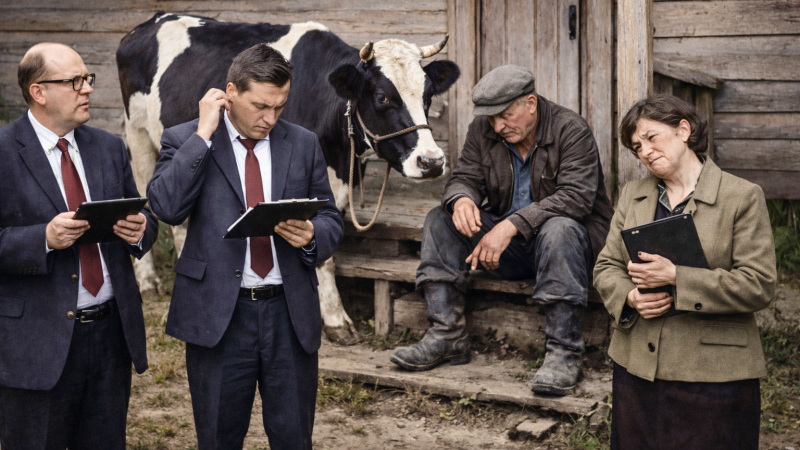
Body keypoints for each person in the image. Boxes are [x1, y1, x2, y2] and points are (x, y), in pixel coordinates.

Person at [147, 43, 342, 450]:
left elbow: (330, 219)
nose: (270, 118)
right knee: (219, 437)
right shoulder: (185, 138)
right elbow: (166, 207)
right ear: (230, 92)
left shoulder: (302, 142)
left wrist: (313, 237)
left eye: (280, 106)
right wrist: (202, 135)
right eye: (260, 106)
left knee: (293, 438)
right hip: (219, 315)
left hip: (289, 315)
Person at [390, 65, 614, 396]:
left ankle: (564, 353)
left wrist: (511, 225)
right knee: (440, 219)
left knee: (560, 228)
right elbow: (464, 177)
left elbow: (576, 198)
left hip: (566, 250)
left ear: (532, 103)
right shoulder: (483, 130)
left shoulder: (571, 129)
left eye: (506, 115)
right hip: (509, 248)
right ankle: (446, 335)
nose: (498, 125)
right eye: (492, 118)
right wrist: (462, 200)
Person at [593, 94, 776, 449]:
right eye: (636, 146)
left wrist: (677, 277)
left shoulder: (741, 197)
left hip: (714, 376)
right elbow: (606, 266)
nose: (644, 150)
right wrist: (629, 298)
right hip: (637, 371)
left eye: (651, 137)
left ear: (683, 130)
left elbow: (759, 285)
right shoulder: (633, 195)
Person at [0, 43, 158, 450]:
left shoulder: (108, 147)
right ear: (39, 92)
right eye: (74, 81)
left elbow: (145, 224)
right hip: (36, 343)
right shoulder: (3, 153)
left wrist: (139, 230)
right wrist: (42, 239)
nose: (87, 89)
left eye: (87, 78)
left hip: (110, 336)